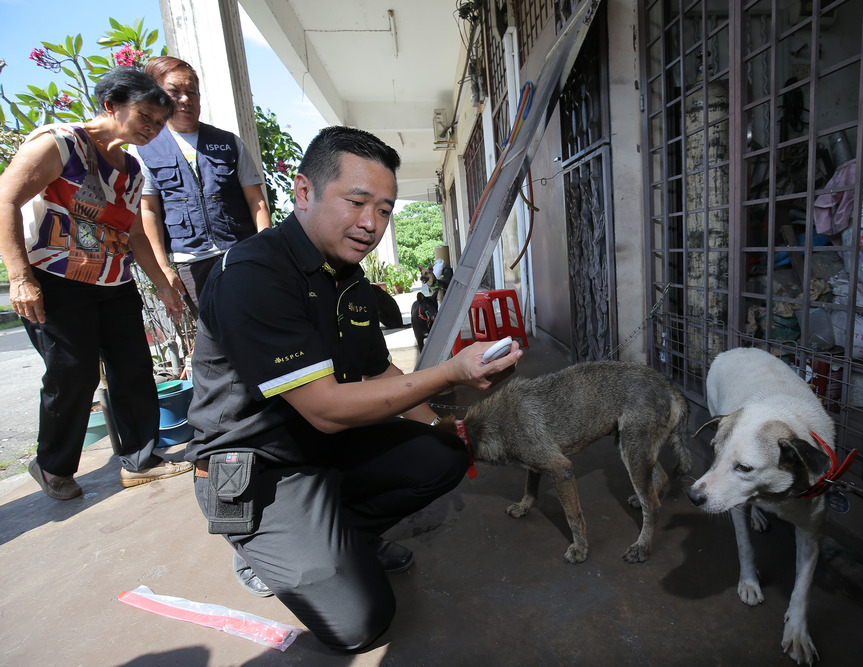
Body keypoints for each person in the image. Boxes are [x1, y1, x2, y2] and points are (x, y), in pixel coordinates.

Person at [185, 126, 522, 652]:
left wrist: (445, 425)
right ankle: (260, 545)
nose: (372, 224)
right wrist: (453, 372)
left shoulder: (350, 281)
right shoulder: (254, 273)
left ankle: (346, 539)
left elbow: (379, 371)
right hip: (260, 468)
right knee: (361, 624)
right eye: (357, 201)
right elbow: (325, 409)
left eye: (385, 209)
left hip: (326, 449)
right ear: (303, 192)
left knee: (444, 454)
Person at [0, 69, 194, 500]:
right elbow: (5, 198)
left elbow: (137, 235)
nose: (151, 127)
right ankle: (52, 466)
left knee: (133, 369)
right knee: (74, 372)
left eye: (159, 123)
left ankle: (140, 460)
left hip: (112, 279)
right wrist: (19, 277)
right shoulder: (59, 143)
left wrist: (163, 285)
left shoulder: (132, 170)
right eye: (145, 115)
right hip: (55, 279)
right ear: (111, 105)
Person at [133, 56, 271, 318]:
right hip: (191, 263)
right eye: (174, 92)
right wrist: (163, 267)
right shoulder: (144, 149)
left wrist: (266, 249)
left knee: (257, 325)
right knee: (215, 335)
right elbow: (148, 210)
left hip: (240, 255)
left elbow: (257, 200)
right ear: (157, 96)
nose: (185, 99)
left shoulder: (229, 142)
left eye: (191, 92)